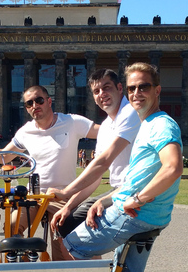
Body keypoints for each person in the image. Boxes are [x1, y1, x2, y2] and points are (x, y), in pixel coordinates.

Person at [63, 62, 183, 272]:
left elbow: (173, 167)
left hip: (136, 214)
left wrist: (136, 199)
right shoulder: (146, 123)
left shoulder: (161, 125)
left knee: (70, 246)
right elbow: (138, 176)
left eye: (143, 87)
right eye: (132, 88)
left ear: (157, 90)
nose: (136, 93)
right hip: (151, 215)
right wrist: (107, 200)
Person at [0, 85, 99, 260]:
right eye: (29, 103)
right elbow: (4, 156)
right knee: (11, 227)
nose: (35, 105)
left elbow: (106, 132)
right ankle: (28, 262)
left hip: (63, 196)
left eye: (39, 100)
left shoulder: (72, 122)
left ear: (49, 101)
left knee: (61, 247)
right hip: (34, 195)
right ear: (26, 108)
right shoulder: (26, 131)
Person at [48, 68, 141, 249]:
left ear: (120, 88)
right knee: (67, 220)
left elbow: (104, 161)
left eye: (106, 88)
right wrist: (68, 206)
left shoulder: (130, 112)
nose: (102, 94)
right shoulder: (105, 126)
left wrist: (66, 191)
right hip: (119, 190)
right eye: (96, 91)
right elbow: (96, 177)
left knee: (77, 234)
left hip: (134, 190)